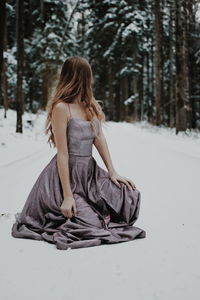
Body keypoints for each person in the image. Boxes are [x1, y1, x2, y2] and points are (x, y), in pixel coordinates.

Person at [11, 56, 146, 250]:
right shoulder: (61, 108)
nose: (89, 81)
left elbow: (99, 139)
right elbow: (62, 154)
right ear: (76, 77)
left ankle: (99, 210)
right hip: (66, 177)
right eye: (86, 76)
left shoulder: (89, 106)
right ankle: (90, 211)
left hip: (89, 174)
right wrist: (67, 195)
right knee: (89, 225)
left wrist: (112, 172)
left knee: (128, 194)